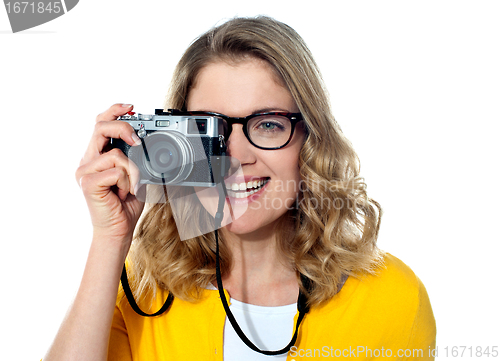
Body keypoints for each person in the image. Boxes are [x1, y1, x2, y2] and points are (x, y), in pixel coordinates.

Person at [44, 16, 436, 360]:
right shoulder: (139, 287)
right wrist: (110, 239)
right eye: (208, 129)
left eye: (268, 124)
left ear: (309, 139)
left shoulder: (392, 297)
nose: (235, 156)